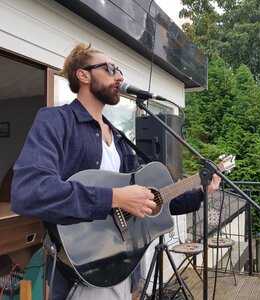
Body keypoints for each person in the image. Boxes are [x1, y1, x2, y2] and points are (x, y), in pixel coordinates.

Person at [11, 43, 221, 300]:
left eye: (119, 70)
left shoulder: (120, 140)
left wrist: (200, 190)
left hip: (121, 266)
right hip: (77, 271)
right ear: (83, 75)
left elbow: (151, 200)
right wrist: (114, 198)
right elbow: (28, 192)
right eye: (110, 69)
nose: (120, 76)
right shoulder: (56, 121)